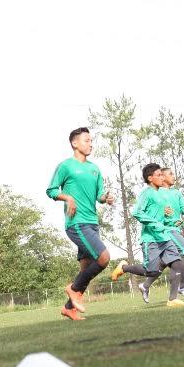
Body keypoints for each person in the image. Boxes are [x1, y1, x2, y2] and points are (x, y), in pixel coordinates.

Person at [46, 127, 115, 321]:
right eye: (87, 140)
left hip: (92, 222)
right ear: (74, 143)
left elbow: (99, 195)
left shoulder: (94, 169)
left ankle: (69, 308)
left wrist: (106, 198)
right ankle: (74, 289)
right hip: (76, 223)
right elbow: (51, 190)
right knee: (103, 258)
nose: (90, 144)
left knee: (85, 269)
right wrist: (68, 197)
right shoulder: (66, 166)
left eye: (91, 140)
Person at [111, 163, 184, 307]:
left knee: (177, 263)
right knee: (151, 271)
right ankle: (124, 268)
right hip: (151, 239)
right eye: (159, 175)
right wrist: (156, 224)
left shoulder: (159, 193)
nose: (162, 177)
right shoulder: (146, 193)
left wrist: (170, 219)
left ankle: (172, 300)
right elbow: (137, 212)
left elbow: (158, 212)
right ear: (150, 178)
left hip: (164, 237)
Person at [137, 167, 184, 302]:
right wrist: (167, 216)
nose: (173, 176)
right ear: (162, 177)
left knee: (162, 264)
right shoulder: (157, 193)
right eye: (170, 174)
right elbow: (156, 211)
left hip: (174, 230)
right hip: (167, 230)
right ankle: (182, 286)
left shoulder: (176, 193)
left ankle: (145, 285)